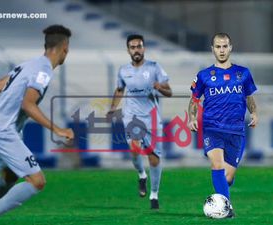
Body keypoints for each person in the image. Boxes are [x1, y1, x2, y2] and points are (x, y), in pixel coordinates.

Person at [0, 25, 74, 225]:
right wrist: (58, 129)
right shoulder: (43, 70)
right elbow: (28, 104)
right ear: (64, 48)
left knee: (9, 177)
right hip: (3, 131)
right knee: (37, 181)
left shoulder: (27, 65)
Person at [188, 32, 258, 217]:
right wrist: (192, 117)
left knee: (227, 178)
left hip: (236, 131)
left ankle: (224, 188)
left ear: (230, 48)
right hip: (212, 129)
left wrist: (255, 113)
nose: (221, 50)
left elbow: (249, 97)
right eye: (218, 46)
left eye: (224, 46)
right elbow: (194, 100)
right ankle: (227, 209)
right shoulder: (203, 75)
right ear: (212, 49)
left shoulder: (243, 73)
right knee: (217, 165)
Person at [107, 34, 172, 209]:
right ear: (128, 50)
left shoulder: (154, 67)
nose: (136, 50)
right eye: (133, 47)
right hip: (132, 116)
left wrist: (160, 87)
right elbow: (120, 90)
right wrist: (112, 108)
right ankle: (142, 175)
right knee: (134, 150)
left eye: (139, 46)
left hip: (151, 118)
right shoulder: (123, 70)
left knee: (154, 160)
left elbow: (169, 91)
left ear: (144, 48)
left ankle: (154, 194)